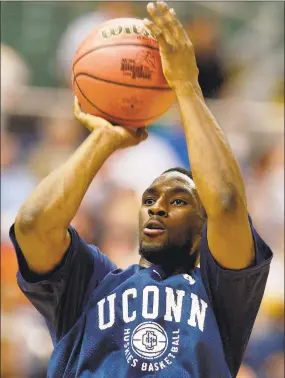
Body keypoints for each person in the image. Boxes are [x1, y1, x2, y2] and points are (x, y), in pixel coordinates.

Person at [10, 2, 272, 377]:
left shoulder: (220, 294)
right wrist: (104, 139)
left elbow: (227, 204)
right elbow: (33, 225)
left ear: (204, 227)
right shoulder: (92, 282)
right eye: (149, 199)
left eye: (178, 200)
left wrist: (185, 85)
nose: (157, 207)